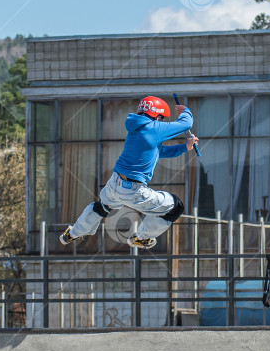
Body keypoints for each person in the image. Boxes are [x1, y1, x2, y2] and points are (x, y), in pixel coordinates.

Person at [60, 96, 199, 249]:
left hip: (114, 183)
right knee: (176, 207)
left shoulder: (137, 128)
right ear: (157, 115)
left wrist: (185, 147)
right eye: (162, 118)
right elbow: (186, 123)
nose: (162, 122)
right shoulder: (154, 128)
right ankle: (142, 238)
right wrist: (185, 110)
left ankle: (72, 233)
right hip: (133, 190)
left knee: (101, 207)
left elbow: (159, 152)